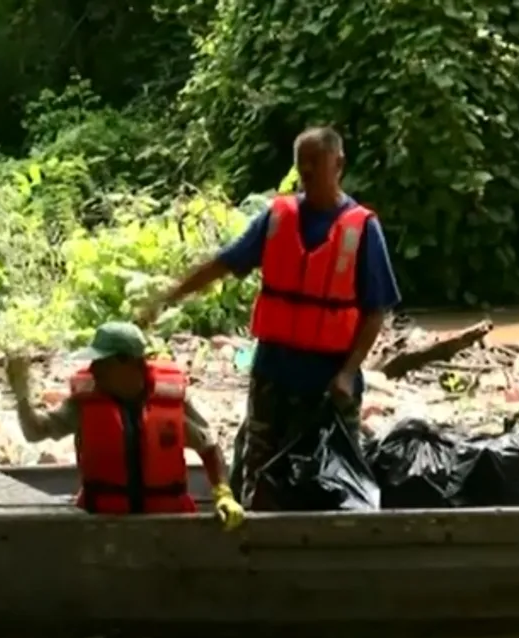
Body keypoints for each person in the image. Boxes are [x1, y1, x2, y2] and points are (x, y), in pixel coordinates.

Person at [137, 126, 402, 510]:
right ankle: (254, 542)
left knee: (335, 479)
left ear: (339, 164)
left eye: (317, 161)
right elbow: (224, 262)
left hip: (330, 381)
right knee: (259, 474)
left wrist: (348, 371)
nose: (308, 170)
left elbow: (377, 310)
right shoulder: (279, 217)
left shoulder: (362, 228)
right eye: (301, 163)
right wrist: (167, 297)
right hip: (274, 374)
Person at [5, 321, 245, 528]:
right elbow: (35, 432)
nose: (93, 369)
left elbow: (208, 447)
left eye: (101, 362)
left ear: (127, 363)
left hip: (168, 525)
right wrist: (23, 397)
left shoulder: (171, 401)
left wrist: (223, 493)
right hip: (103, 524)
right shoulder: (83, 405)